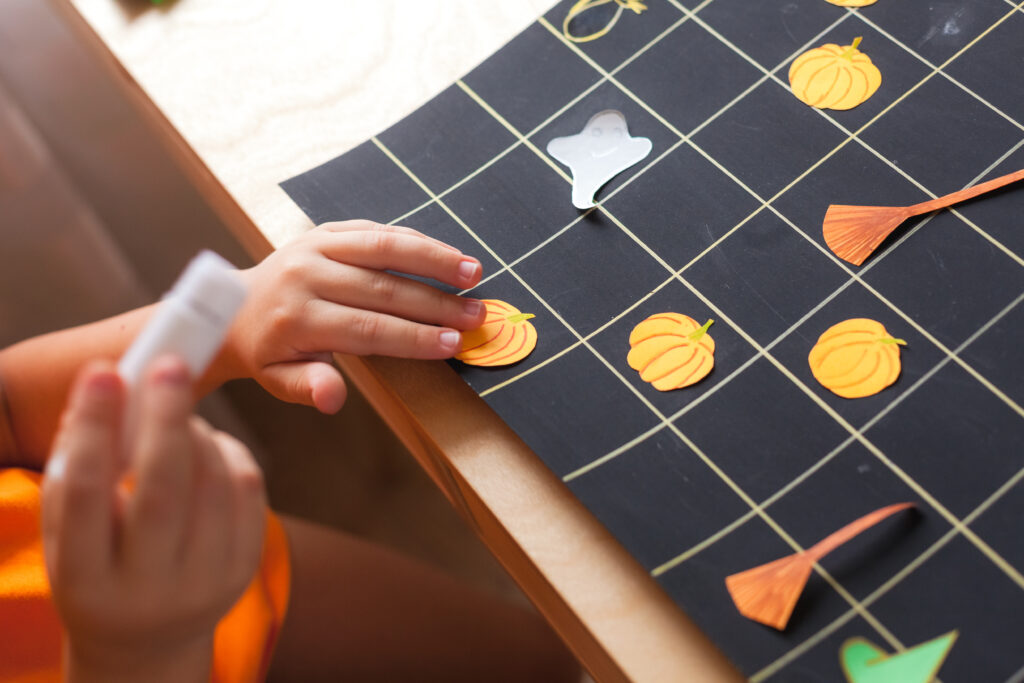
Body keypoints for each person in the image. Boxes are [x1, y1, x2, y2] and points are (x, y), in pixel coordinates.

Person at [0, 220, 581, 682]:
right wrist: (133, 659)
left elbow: (8, 407)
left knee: (533, 663)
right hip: (131, 646)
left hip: (211, 566)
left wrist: (233, 326)